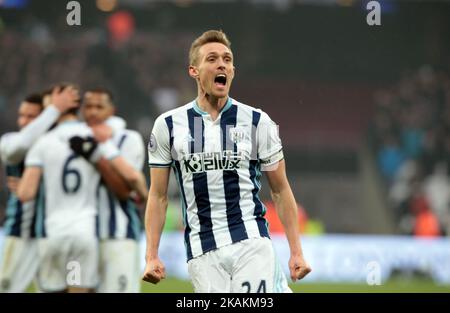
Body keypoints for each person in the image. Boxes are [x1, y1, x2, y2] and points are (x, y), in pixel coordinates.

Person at [143, 30, 311, 293]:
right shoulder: (167, 125)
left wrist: (296, 252)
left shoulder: (258, 122)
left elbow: (280, 189)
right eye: (211, 59)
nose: (222, 64)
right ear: (194, 71)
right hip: (202, 251)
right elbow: (158, 196)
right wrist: (151, 255)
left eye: (227, 59)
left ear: (232, 71)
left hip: (251, 241)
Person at [16, 84, 124, 293]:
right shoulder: (94, 137)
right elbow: (119, 175)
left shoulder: (43, 143)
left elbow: (25, 193)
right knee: (76, 288)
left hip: (52, 235)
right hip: (82, 234)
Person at [0, 89, 79, 292]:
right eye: (21, 115)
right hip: (21, 233)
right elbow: (15, 149)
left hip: (57, 234)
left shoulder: (62, 145)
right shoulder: (11, 141)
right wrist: (54, 109)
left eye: (32, 116)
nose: (24, 122)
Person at [81, 88, 147, 292]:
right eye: (88, 106)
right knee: (72, 288)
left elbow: (124, 191)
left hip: (118, 238)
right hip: (78, 240)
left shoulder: (129, 139)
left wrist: (98, 153)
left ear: (112, 110)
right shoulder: (73, 139)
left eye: (99, 107)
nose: (93, 112)